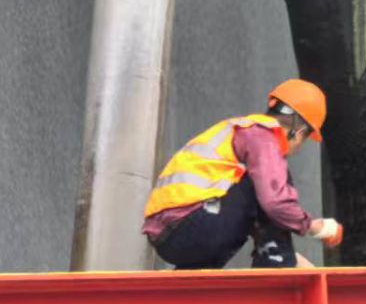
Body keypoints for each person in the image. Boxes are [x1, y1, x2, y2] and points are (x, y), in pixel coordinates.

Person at [142, 79, 343, 269]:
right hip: (190, 224)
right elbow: (275, 203)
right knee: (268, 183)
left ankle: (196, 276)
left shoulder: (241, 131)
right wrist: (314, 226)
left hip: (170, 237)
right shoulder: (262, 136)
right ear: (299, 131)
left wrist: (294, 258)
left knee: (256, 200)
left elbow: (258, 220)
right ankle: (277, 263)